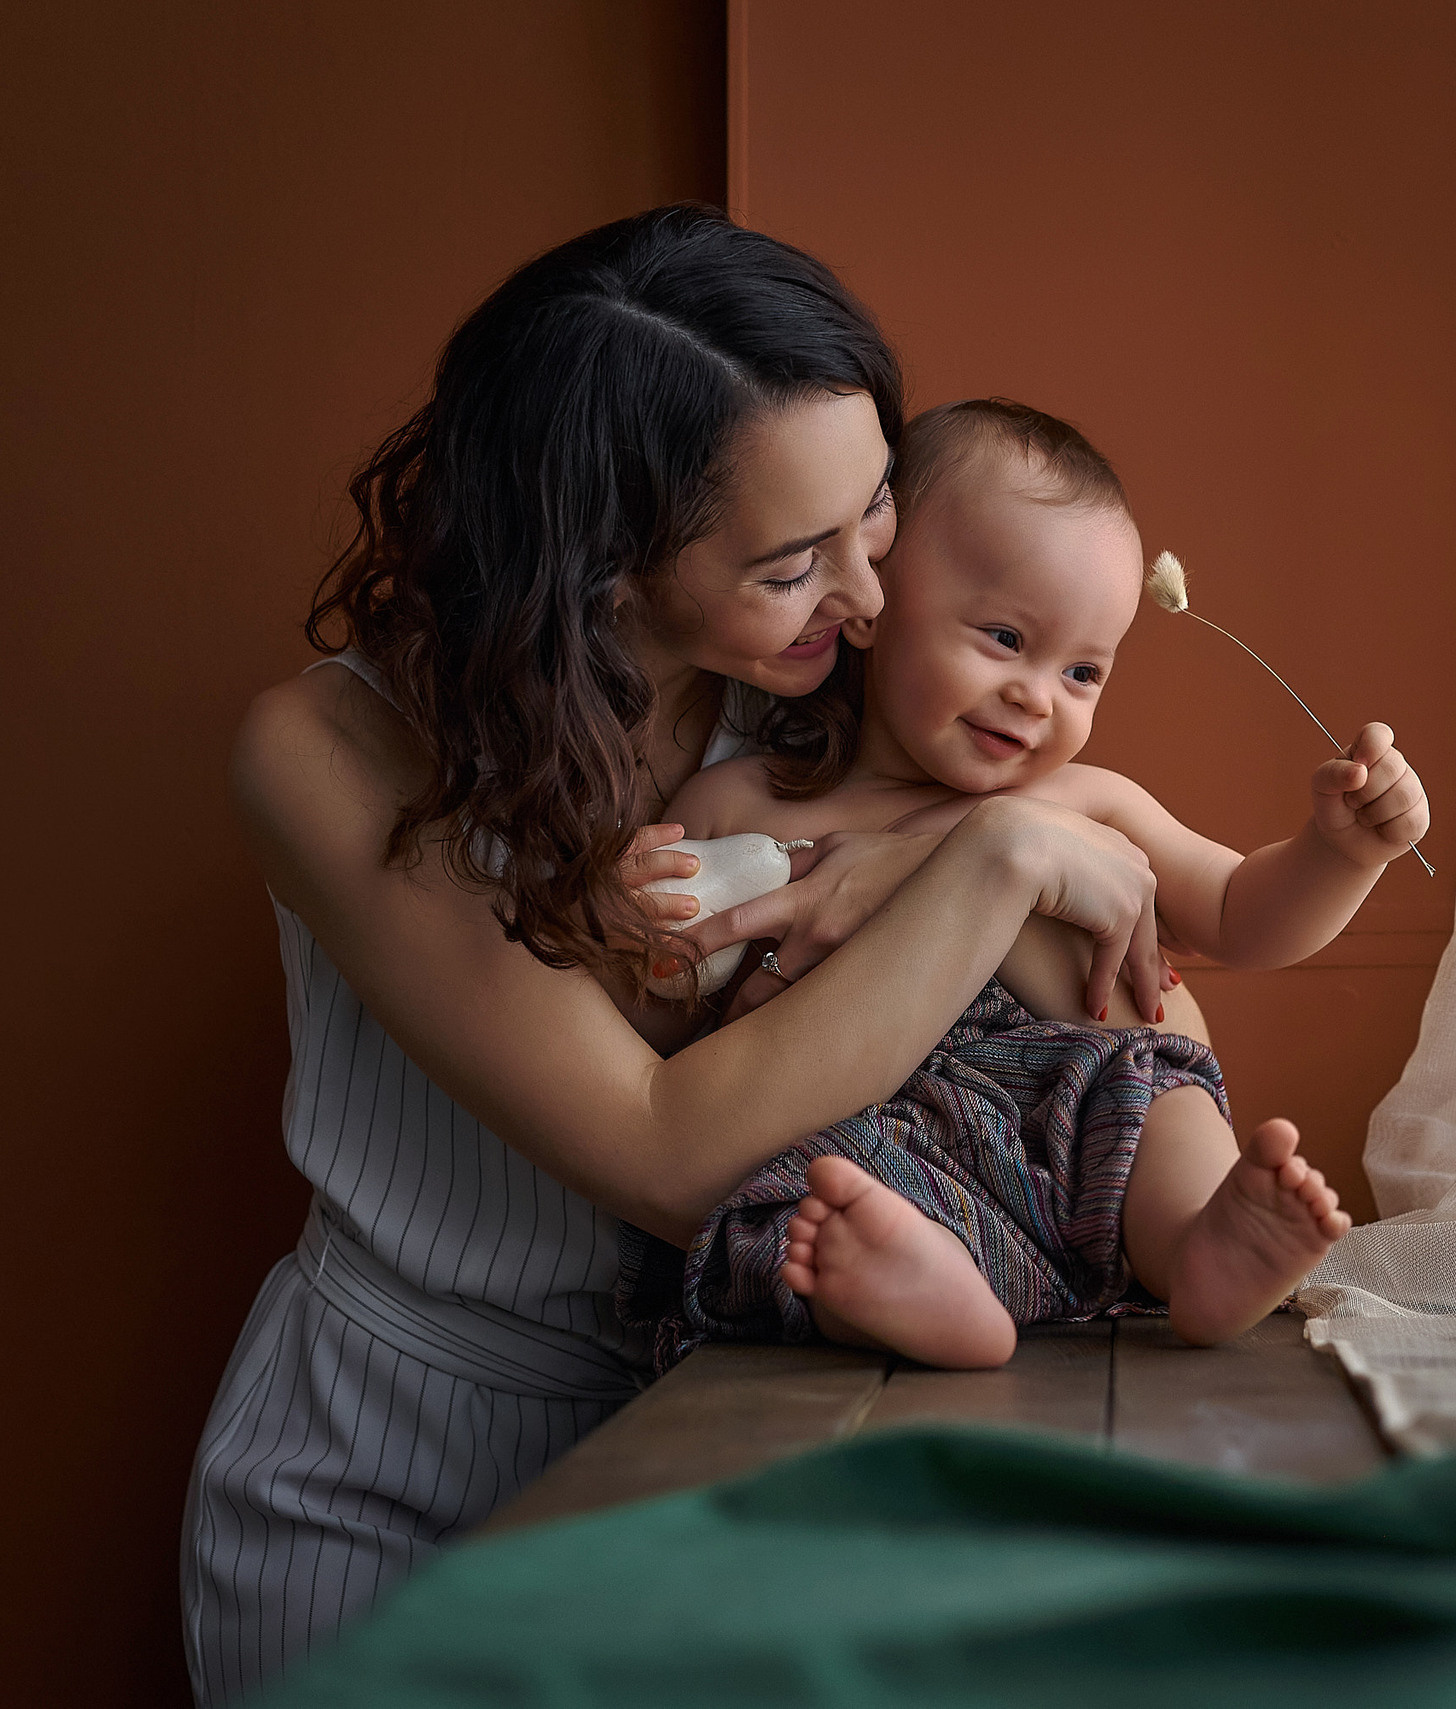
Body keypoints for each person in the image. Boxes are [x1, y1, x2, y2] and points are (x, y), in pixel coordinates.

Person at [182, 207, 1184, 1705]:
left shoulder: (809, 703)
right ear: (600, 561)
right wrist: (995, 854)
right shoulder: (330, 755)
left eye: (877, 520)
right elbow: (663, 1153)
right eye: (793, 563)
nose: (862, 599)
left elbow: (1116, 982)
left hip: (719, 1416)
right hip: (385, 1475)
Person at [656, 398, 1428, 1366]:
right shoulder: (750, 798)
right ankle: (923, 1289)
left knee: (1153, 1087)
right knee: (806, 1210)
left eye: (1084, 672)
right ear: (872, 602)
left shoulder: (1091, 803)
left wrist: (1341, 852)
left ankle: (1200, 1244)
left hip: (1078, 1123)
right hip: (882, 1134)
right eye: (1005, 639)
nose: (1036, 697)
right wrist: (640, 900)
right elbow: (663, 949)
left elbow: (1238, 915)